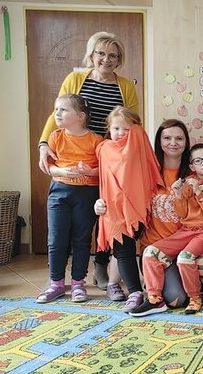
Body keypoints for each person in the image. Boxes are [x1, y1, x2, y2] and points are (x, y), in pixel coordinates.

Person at [38, 31, 139, 292]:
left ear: (119, 59)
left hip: (109, 158)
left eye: (113, 55)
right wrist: (44, 143)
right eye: (101, 53)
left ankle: (100, 264)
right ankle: (61, 276)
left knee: (104, 213)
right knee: (72, 221)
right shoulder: (75, 79)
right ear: (91, 55)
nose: (106, 59)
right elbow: (57, 113)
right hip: (76, 154)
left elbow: (132, 122)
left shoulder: (125, 86)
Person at [132, 143, 203, 316]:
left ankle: (195, 297)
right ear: (192, 166)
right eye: (198, 160)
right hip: (186, 230)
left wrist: (198, 191)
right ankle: (155, 298)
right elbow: (182, 214)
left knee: (185, 258)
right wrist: (178, 195)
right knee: (150, 252)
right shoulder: (188, 182)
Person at [94, 107, 162, 312]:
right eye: (116, 128)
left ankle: (119, 283)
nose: (121, 133)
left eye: (127, 129)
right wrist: (98, 202)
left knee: (131, 249)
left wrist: (136, 130)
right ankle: (134, 292)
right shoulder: (104, 148)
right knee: (123, 250)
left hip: (137, 206)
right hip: (113, 209)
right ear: (108, 129)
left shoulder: (138, 146)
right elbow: (102, 177)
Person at [36, 94, 102, 303]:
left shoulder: (96, 141)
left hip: (87, 194)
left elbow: (104, 170)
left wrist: (89, 171)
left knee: (81, 239)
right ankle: (56, 283)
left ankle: (78, 284)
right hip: (59, 192)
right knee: (56, 239)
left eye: (63, 110)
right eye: (56, 109)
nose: (57, 113)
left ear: (81, 116)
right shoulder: (55, 137)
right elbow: (48, 166)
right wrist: (64, 172)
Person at [141, 119, 192, 307]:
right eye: (167, 138)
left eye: (179, 138)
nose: (173, 143)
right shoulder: (148, 171)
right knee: (176, 300)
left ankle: (185, 279)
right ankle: (153, 280)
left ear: (186, 142)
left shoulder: (193, 173)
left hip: (184, 247)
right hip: (154, 248)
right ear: (159, 141)